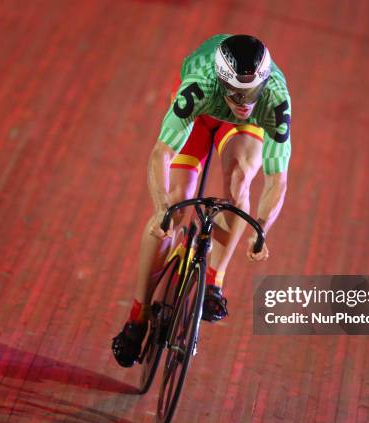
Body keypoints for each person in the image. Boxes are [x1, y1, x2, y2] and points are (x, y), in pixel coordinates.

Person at [112, 34, 291, 367]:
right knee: (177, 203)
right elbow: (160, 154)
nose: (244, 101)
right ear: (222, 81)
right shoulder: (200, 86)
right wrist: (162, 204)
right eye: (237, 93)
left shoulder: (274, 100)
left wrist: (262, 229)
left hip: (242, 129)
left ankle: (213, 280)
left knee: (239, 182)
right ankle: (139, 312)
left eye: (252, 93)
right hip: (202, 113)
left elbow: (277, 180)